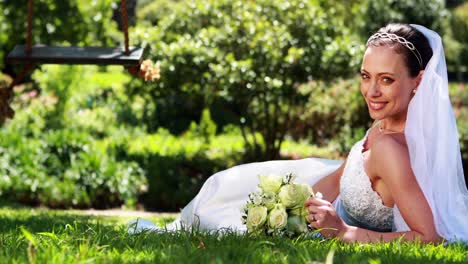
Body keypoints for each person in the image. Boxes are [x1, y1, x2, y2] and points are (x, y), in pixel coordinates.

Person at [130, 23, 468, 243]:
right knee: (227, 192)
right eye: (366, 76)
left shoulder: (393, 149)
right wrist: (285, 207)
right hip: (317, 196)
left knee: (219, 212)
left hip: (335, 221)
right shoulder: (383, 124)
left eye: (387, 79)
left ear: (419, 81)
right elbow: (338, 179)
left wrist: (344, 231)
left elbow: (429, 238)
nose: (371, 91)